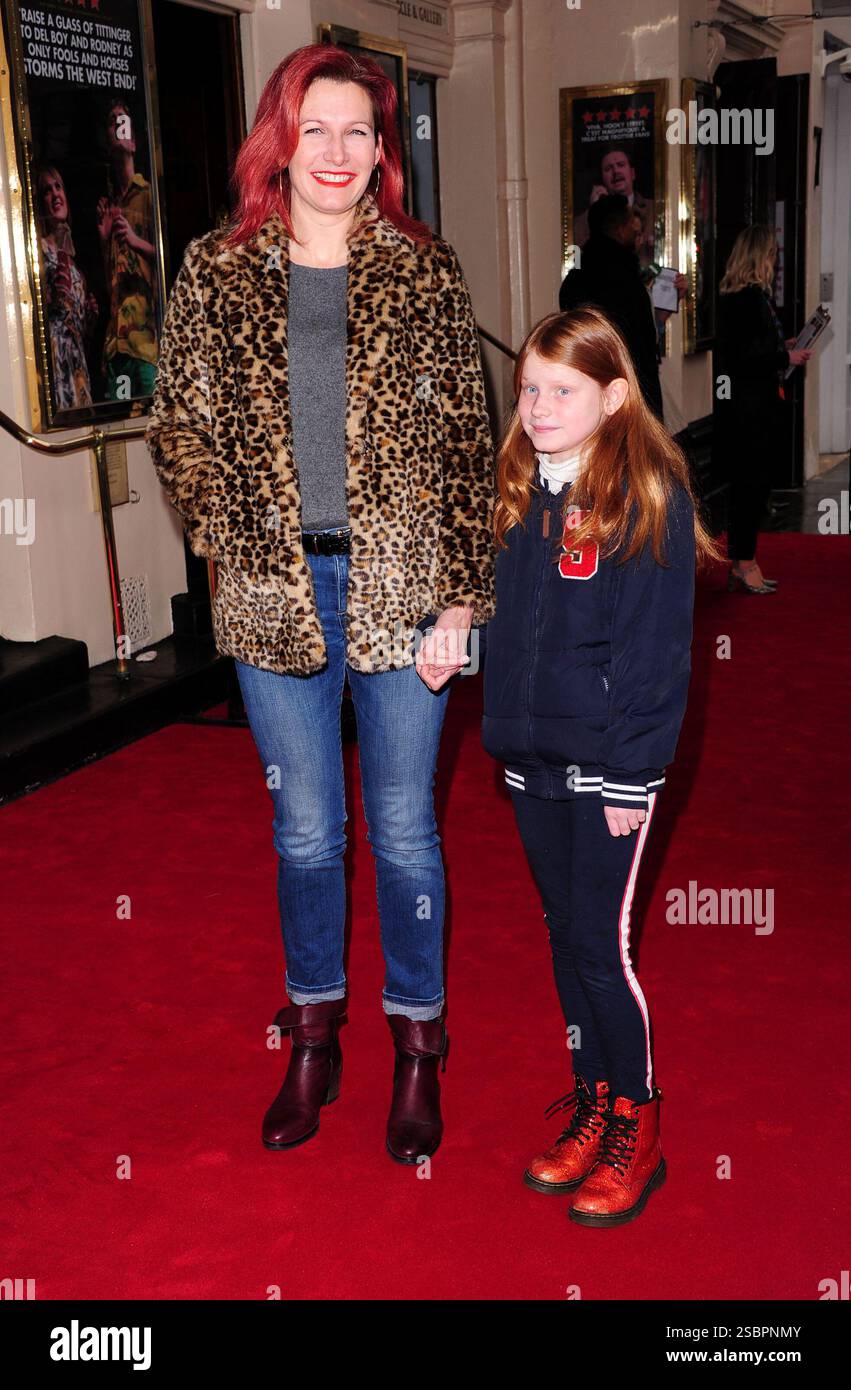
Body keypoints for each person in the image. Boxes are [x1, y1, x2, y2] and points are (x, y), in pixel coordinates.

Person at [145, 43, 495, 1164]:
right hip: (273, 593)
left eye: (359, 132)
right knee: (304, 832)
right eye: (317, 130)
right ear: (278, 142)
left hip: (402, 593)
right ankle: (311, 1033)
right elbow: (177, 426)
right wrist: (224, 531)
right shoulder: (214, 269)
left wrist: (460, 600)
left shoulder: (425, 273)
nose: (337, 152)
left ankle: (415, 1046)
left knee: (401, 831)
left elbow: (462, 444)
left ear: (381, 151)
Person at [475, 306, 718, 1226]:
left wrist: (632, 775)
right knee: (562, 939)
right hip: (529, 758)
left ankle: (637, 1124)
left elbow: (658, 655)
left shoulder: (645, 494)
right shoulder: (516, 486)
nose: (537, 406)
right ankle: (592, 1098)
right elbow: (507, 622)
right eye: (528, 388)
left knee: (601, 949)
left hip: (608, 770)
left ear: (614, 397)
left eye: (561, 391)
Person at [715, 225, 811, 593]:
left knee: (751, 488)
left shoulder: (747, 297)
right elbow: (743, 358)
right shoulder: (745, 299)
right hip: (749, 411)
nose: (776, 261)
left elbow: (751, 348)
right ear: (758, 256)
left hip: (751, 408)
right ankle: (744, 563)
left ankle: (744, 560)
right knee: (750, 488)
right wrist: (784, 355)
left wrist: (781, 346)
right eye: (772, 254)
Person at [560, 194, 684, 423]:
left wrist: (660, 316)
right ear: (620, 229)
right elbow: (636, 344)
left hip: (592, 397)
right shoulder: (622, 279)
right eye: (634, 232)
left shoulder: (577, 277)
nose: (638, 239)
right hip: (627, 397)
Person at [97, 98, 158, 402]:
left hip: (145, 342)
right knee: (120, 421)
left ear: (133, 142)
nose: (118, 124)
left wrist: (135, 240)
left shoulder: (149, 195)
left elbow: (167, 260)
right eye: (112, 120)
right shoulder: (109, 206)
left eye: (123, 119)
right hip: (116, 345)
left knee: (153, 422)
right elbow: (110, 283)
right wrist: (104, 238)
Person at [35, 164, 98, 411]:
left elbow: (81, 330)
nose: (55, 194)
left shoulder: (74, 264)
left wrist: (90, 316)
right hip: (55, 357)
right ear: (41, 204)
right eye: (47, 191)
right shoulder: (39, 251)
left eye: (58, 187)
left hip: (77, 364)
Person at [573, 145, 655, 264]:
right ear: (602, 179)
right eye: (608, 168)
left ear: (632, 173)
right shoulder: (581, 222)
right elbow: (576, 262)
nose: (616, 171)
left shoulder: (655, 209)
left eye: (621, 165)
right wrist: (595, 214)